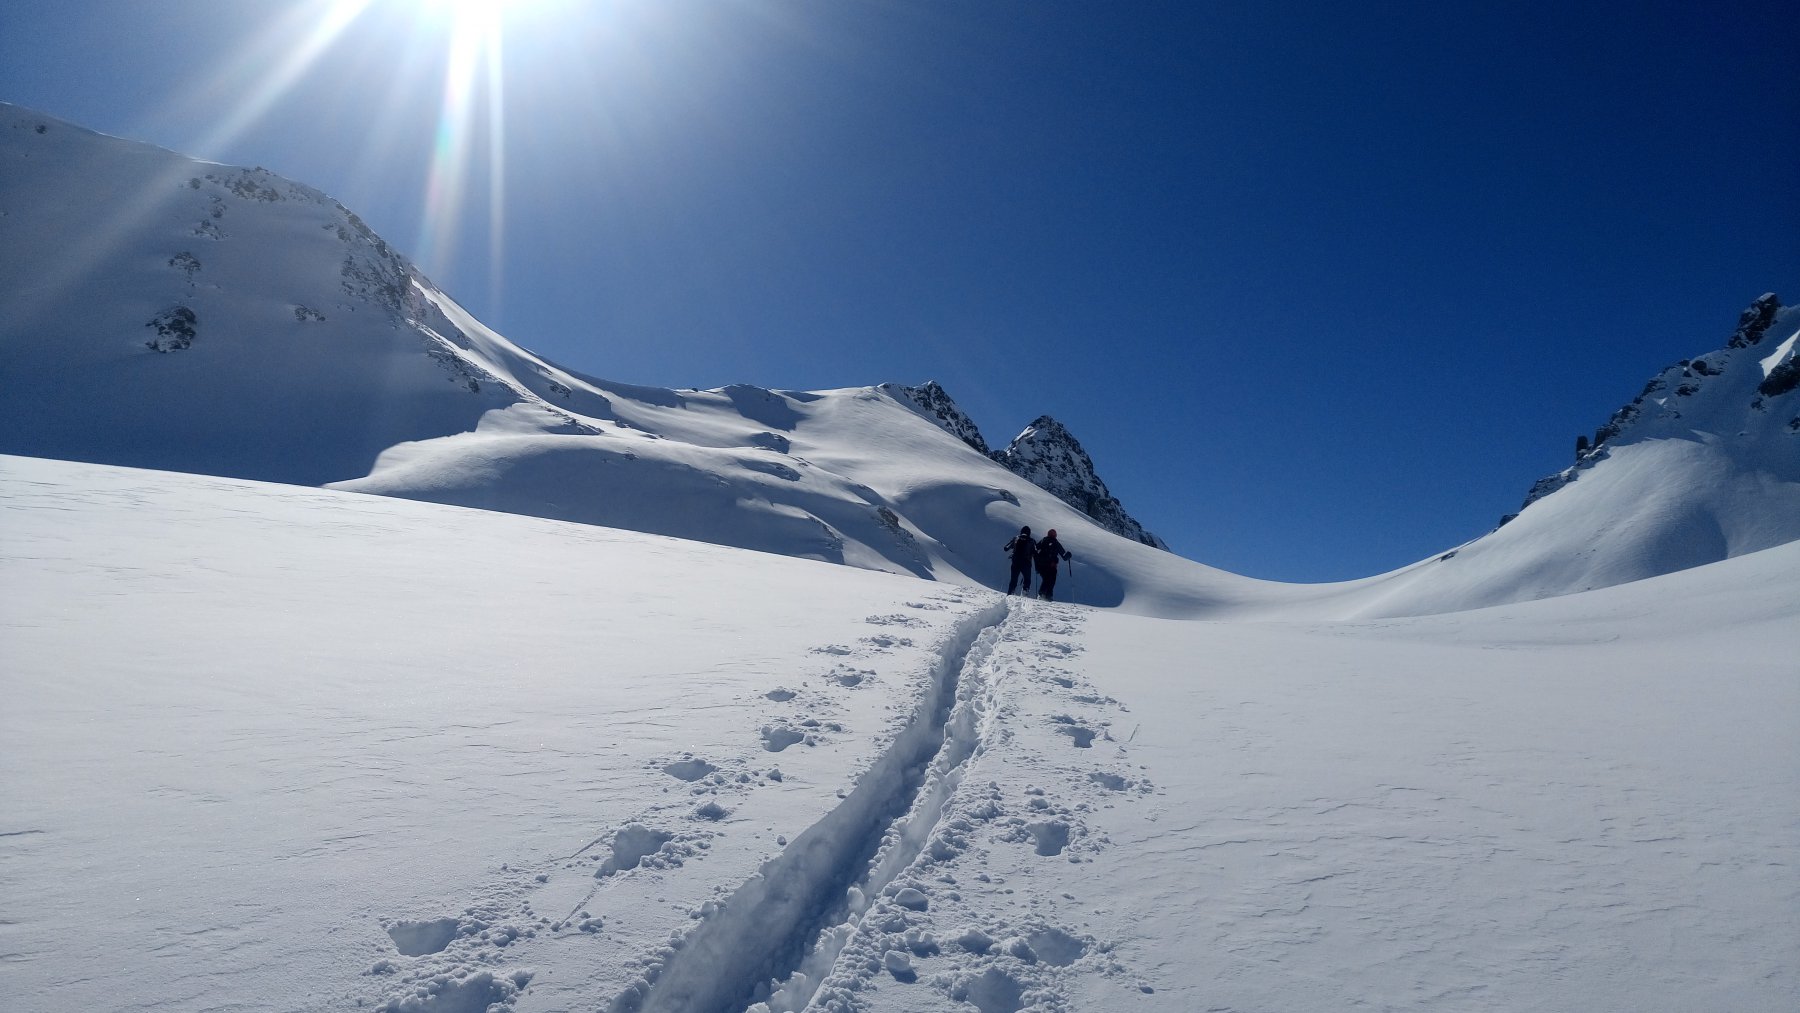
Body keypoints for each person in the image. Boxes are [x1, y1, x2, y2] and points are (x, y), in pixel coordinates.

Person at [1034, 528, 1072, 601]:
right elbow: (1064, 556)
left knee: (1046, 579)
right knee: (1051, 580)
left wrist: (1037, 562)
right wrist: (1069, 555)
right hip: (1051, 566)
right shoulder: (1056, 543)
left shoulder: (1043, 540)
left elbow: (1035, 548)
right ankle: (1047, 595)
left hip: (1041, 565)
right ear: (1055, 535)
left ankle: (1043, 594)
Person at [1003, 526, 1037, 595]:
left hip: (1015, 562)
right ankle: (1025, 592)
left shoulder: (1016, 538)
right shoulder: (1032, 541)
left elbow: (1006, 548)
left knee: (1013, 580)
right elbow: (1035, 553)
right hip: (1026, 563)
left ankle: (1010, 593)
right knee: (1027, 579)